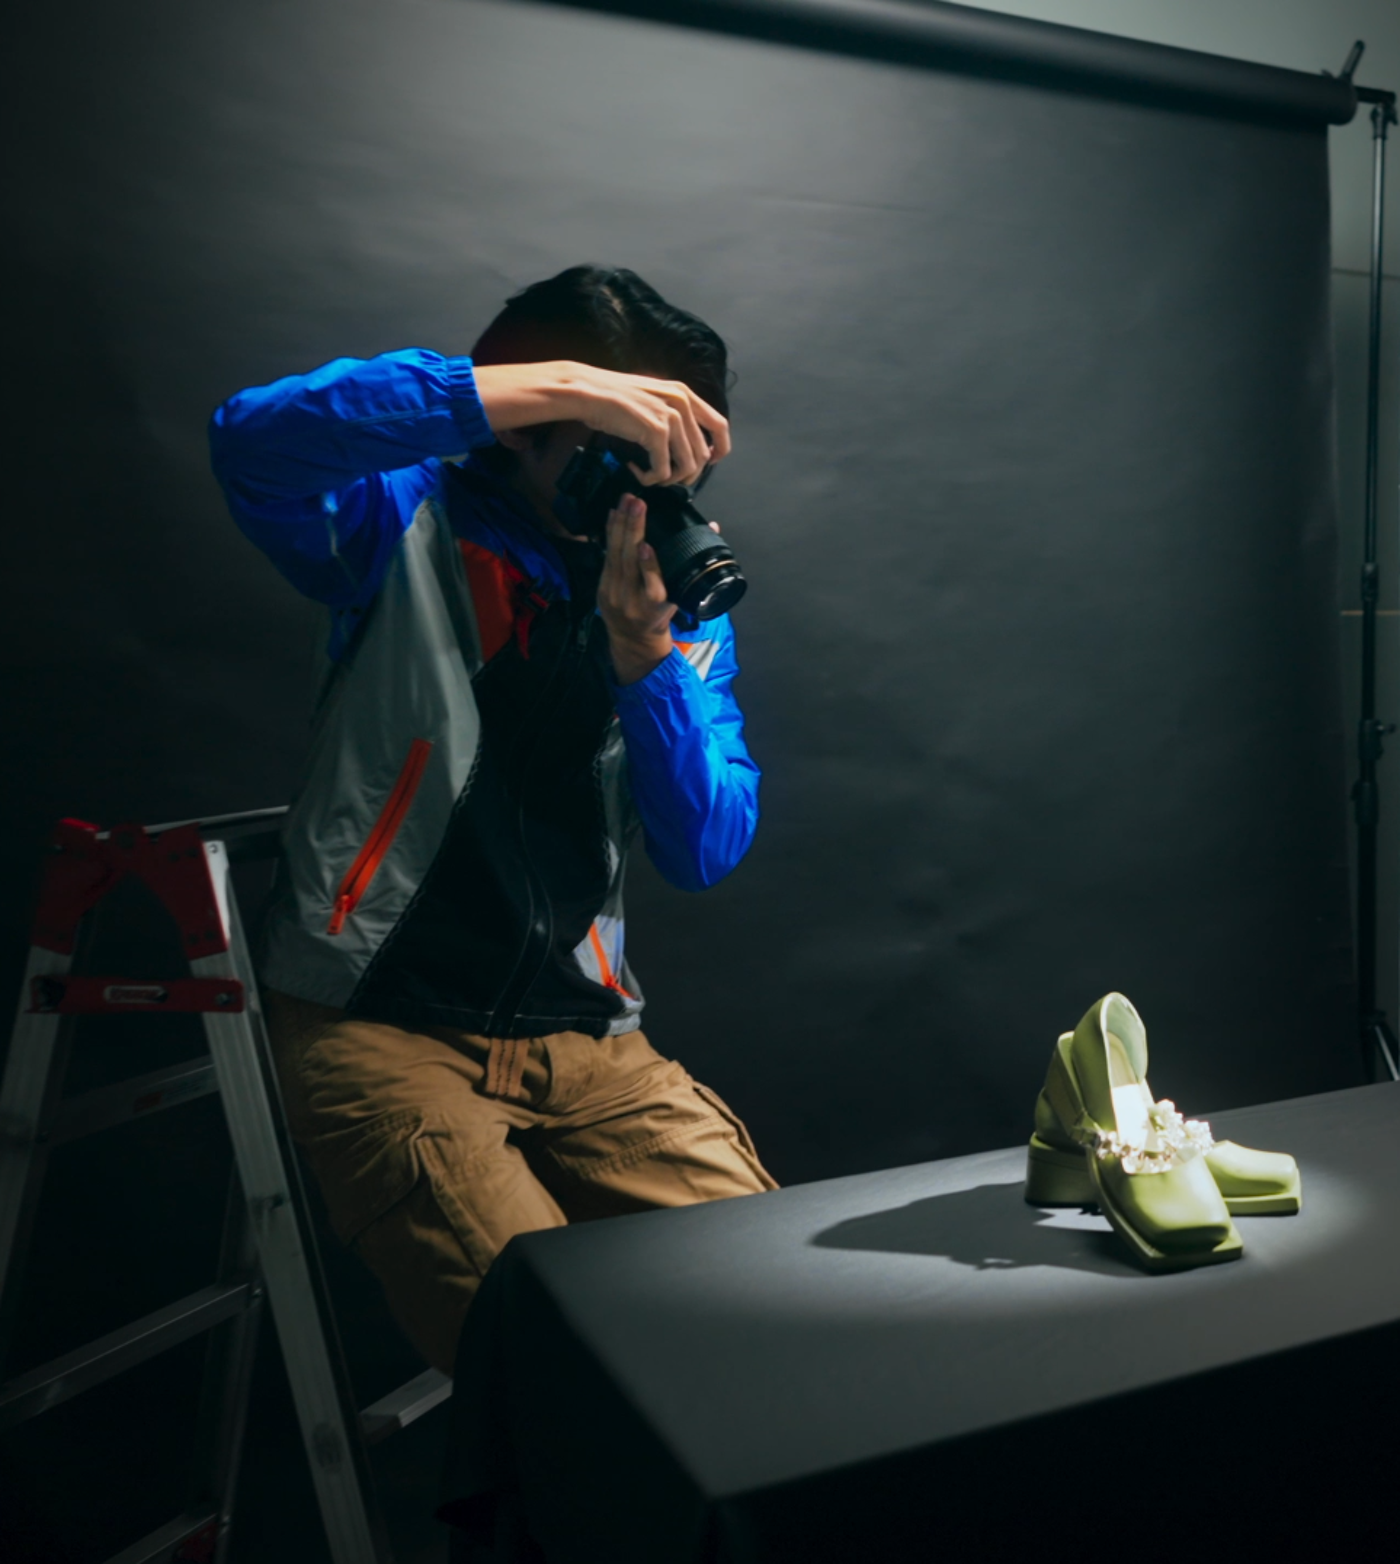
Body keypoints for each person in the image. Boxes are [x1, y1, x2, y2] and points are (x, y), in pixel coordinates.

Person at [209, 266, 776, 1373]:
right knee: (554, 1375)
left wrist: (646, 661)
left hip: (592, 1040)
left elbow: (706, 845)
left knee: (781, 1311)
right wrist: (546, 386)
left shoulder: (670, 598)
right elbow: (252, 441)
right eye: (617, 446)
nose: (640, 490)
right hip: (384, 1024)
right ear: (524, 424)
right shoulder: (400, 513)